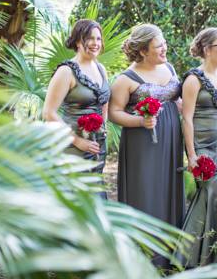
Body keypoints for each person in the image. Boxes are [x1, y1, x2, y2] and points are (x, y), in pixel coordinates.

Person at [109, 23, 185, 237]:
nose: (165, 48)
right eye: (159, 46)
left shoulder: (169, 68)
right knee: (146, 187)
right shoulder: (126, 79)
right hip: (142, 142)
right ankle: (145, 246)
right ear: (143, 51)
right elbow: (113, 113)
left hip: (171, 139)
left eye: (164, 43)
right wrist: (140, 122)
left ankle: (171, 244)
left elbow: (176, 99)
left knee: (168, 186)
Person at [178, 27, 217, 266]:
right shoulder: (193, 79)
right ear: (207, 49)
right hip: (200, 145)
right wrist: (191, 155)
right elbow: (187, 118)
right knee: (208, 191)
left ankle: (215, 253)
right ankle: (191, 257)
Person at [42, 19, 110, 199]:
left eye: (98, 38)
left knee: (95, 192)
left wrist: (103, 127)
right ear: (78, 41)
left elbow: (104, 100)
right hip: (73, 146)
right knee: (76, 196)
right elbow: (48, 113)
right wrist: (77, 141)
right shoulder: (66, 71)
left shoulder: (101, 68)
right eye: (90, 38)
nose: (96, 43)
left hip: (97, 144)